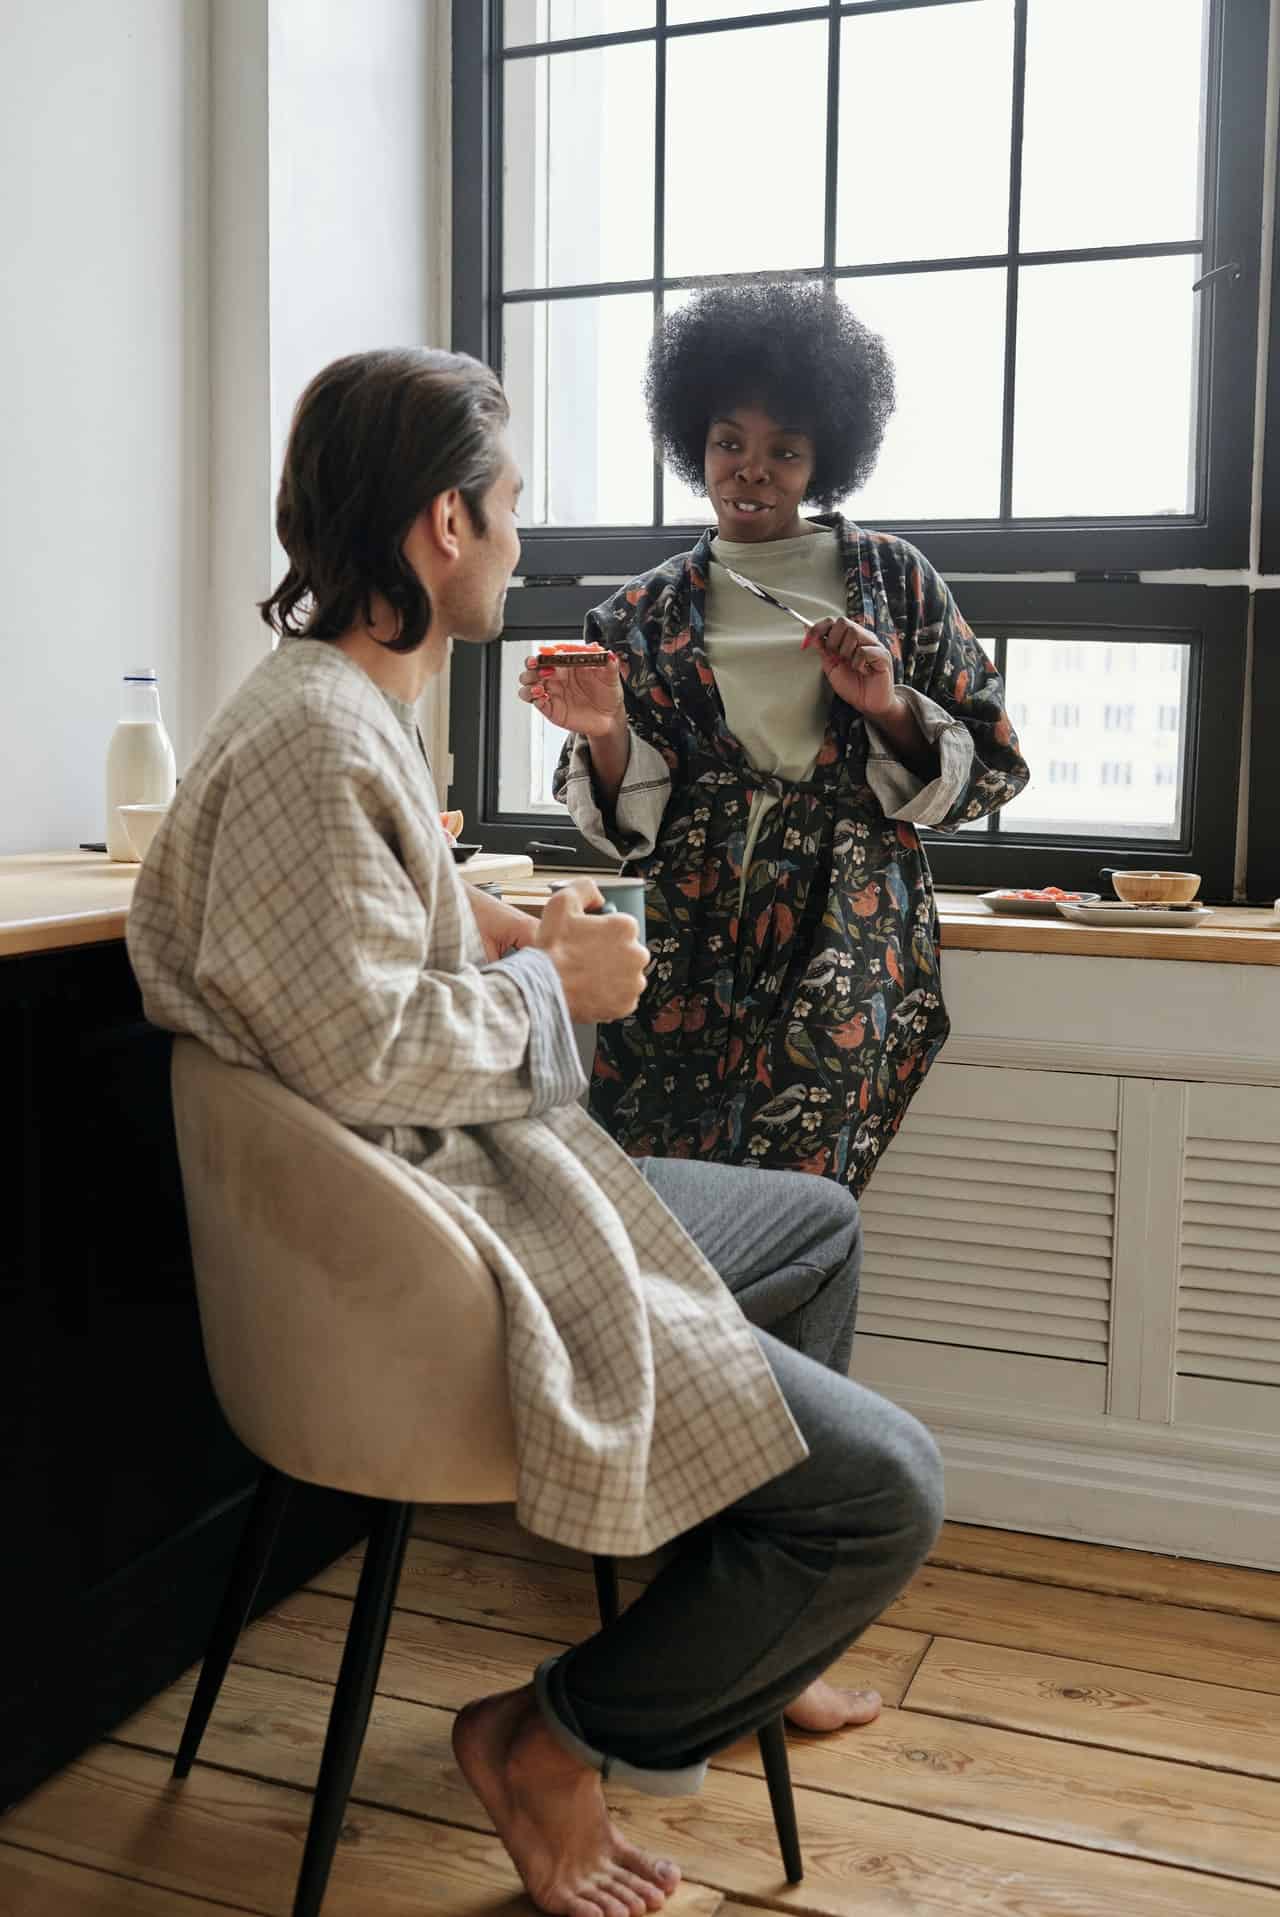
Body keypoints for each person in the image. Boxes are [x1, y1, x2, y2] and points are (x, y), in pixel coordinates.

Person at [127, 348, 944, 1917]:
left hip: (449, 1203)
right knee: (883, 1491)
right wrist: (560, 986)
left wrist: (487, 924)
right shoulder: (322, 740)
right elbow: (365, 1046)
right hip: (433, 1263)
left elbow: (346, 964)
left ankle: (736, 1650)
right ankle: (546, 1734)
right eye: (508, 514)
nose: (520, 544)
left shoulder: (337, 707)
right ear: (444, 523)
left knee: (814, 1222)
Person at [527, 281, 1030, 1196]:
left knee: (798, 1208)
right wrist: (604, 729)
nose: (750, 472)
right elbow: (625, 825)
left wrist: (883, 703)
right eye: (729, 444)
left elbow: (993, 763)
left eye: (783, 452)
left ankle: (776, 1350)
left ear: (822, 458)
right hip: (685, 939)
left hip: (844, 936)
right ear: (697, 445)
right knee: (653, 1203)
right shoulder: (640, 613)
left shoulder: (896, 584)